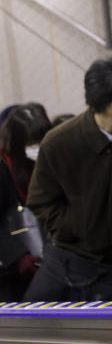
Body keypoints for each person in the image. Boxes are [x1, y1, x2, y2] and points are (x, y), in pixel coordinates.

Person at [24, 58, 112, 301]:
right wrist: (78, 228)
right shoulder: (59, 143)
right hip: (75, 265)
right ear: (96, 105)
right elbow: (41, 202)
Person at [0, 103, 51, 300]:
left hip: (47, 262)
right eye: (31, 143)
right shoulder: (4, 168)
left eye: (41, 140)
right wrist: (19, 257)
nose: (37, 148)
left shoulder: (50, 161)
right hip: (13, 272)